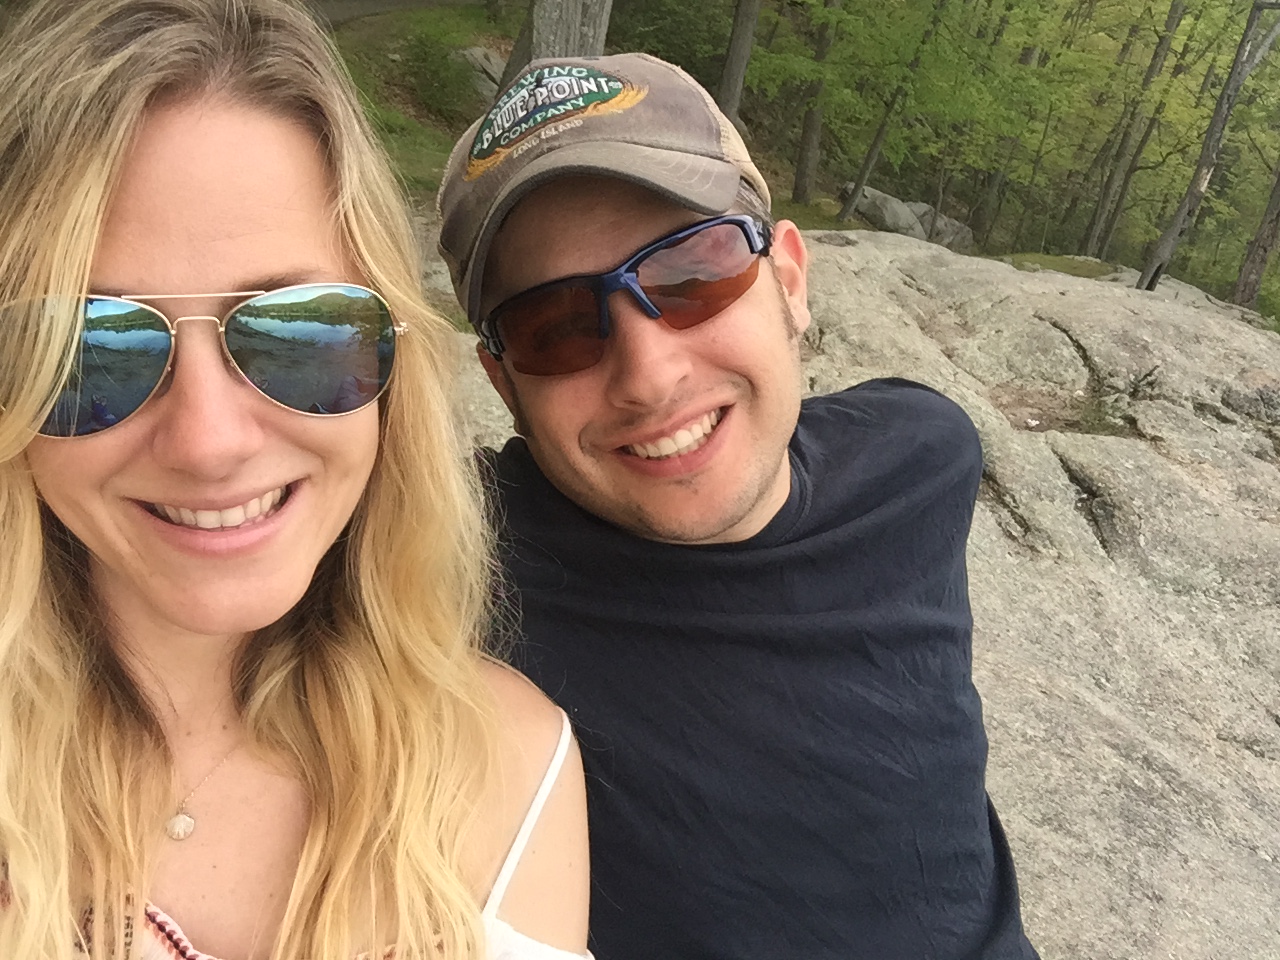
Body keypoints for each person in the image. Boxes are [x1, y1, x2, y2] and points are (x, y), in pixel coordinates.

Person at [0, 2, 590, 958]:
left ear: (394, 361)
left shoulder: (515, 772)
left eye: (298, 332)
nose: (208, 441)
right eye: (91, 349)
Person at [438, 53, 1041, 959]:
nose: (650, 376)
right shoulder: (452, 561)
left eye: (692, 273)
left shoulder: (922, 456)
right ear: (502, 382)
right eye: (553, 327)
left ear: (789, 279)